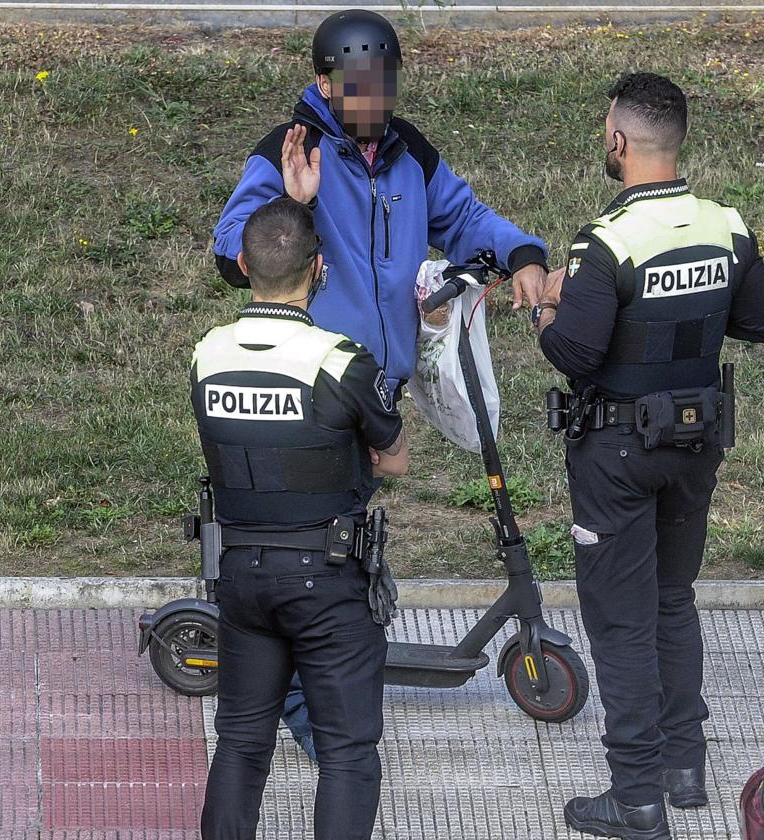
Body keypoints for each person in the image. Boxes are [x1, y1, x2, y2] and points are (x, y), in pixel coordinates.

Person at [212, 7, 550, 754]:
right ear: (325, 84)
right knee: (320, 559)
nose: (373, 104)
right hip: (308, 387)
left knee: (344, 546)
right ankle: (309, 718)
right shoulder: (288, 150)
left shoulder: (409, 155)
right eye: (357, 89)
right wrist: (292, 205)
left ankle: (322, 689)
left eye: (383, 88)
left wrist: (522, 253)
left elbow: (464, 219)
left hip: (370, 389)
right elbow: (234, 252)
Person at [534, 73, 764, 840]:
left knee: (619, 623)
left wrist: (549, 302)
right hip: (697, 441)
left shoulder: (606, 241)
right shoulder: (725, 224)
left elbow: (573, 351)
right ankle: (684, 767)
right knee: (672, 599)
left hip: (616, 452)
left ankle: (636, 797)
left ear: (618, 140)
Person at [193, 197, 408, 840]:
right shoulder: (340, 361)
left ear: (243, 262)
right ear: (318, 268)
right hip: (329, 577)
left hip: (240, 577)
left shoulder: (209, 354)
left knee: (240, 744)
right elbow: (392, 459)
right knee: (346, 755)